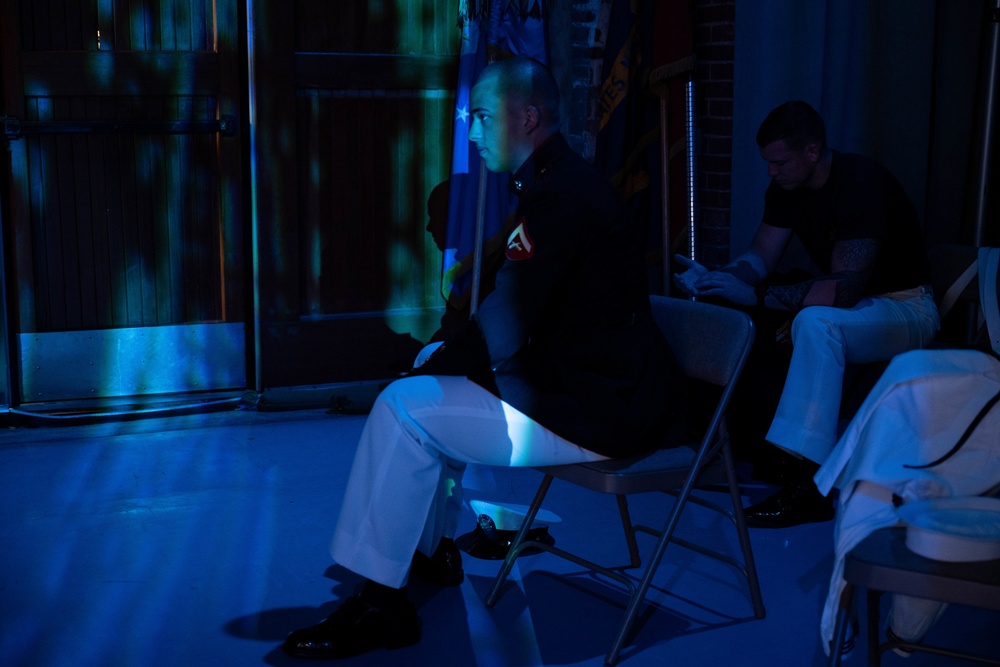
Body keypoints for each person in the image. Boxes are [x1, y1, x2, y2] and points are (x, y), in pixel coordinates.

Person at [282, 57, 687, 660]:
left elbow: (506, 320)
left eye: (481, 117)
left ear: (527, 118)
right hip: (583, 386)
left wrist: (436, 362)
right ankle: (428, 554)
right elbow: (512, 307)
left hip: (598, 408)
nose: (471, 133)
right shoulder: (553, 186)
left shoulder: (561, 199)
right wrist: (445, 357)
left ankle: (381, 604)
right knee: (425, 399)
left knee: (403, 408)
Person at [674, 100, 939, 528]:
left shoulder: (860, 185)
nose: (771, 172)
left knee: (814, 322)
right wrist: (721, 279)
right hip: (857, 307)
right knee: (749, 312)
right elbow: (760, 256)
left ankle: (808, 484)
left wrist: (756, 294)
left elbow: (844, 288)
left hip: (907, 307)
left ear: (812, 152)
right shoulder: (785, 189)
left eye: (779, 162)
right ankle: (744, 452)